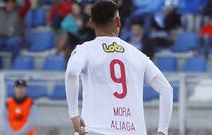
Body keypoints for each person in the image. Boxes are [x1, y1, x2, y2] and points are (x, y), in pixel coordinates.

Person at [65, 1, 173, 135]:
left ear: (91, 22)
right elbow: (167, 90)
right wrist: (162, 130)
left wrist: (74, 113)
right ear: (118, 22)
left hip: (95, 130)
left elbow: (71, 73)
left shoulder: (84, 50)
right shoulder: (137, 54)